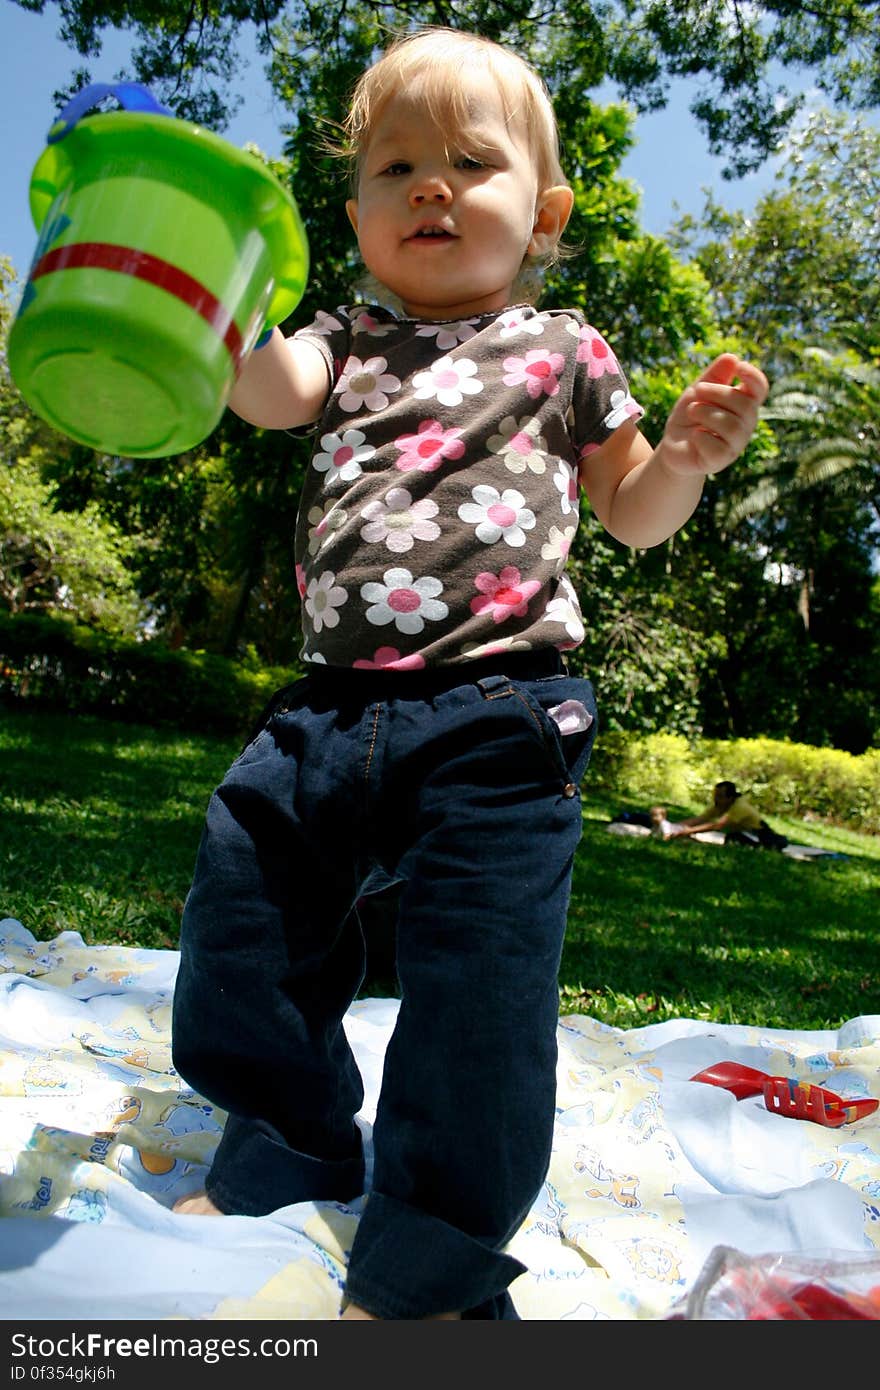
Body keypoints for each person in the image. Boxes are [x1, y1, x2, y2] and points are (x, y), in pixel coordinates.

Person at [170, 26, 769, 1320]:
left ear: (544, 213)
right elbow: (267, 393)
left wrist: (687, 461)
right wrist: (220, 297)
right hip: (324, 713)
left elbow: (634, 515)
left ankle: (432, 1256)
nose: (429, 186)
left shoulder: (566, 349)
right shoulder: (347, 341)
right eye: (395, 168)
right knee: (244, 917)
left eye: (469, 162)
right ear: (358, 213)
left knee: (478, 988)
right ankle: (286, 1144)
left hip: (501, 713)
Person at [667, 780, 787, 848]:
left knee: (732, 839)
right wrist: (674, 827)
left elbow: (717, 825)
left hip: (760, 835)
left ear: (730, 798)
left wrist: (686, 831)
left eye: (720, 797)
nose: (716, 799)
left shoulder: (739, 807)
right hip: (744, 834)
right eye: (715, 796)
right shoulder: (721, 805)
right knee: (732, 838)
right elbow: (700, 819)